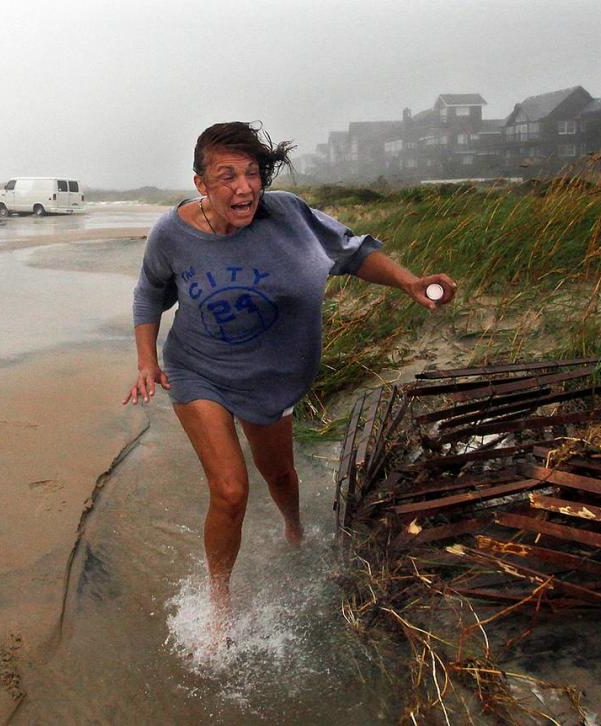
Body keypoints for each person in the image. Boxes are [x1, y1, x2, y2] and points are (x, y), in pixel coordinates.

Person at [123, 121, 456, 625]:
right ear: (201, 184)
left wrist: (410, 283)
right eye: (227, 176)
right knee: (231, 491)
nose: (244, 188)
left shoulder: (289, 216)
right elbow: (150, 291)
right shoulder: (173, 234)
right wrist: (147, 359)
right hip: (200, 372)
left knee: (279, 475)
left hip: (271, 379)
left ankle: (294, 529)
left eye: (252, 174)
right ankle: (219, 606)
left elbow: (354, 253)